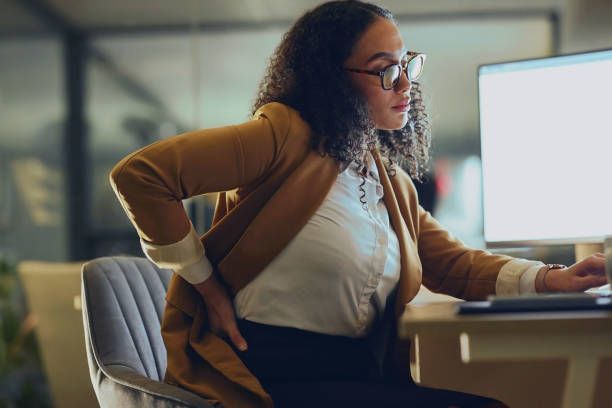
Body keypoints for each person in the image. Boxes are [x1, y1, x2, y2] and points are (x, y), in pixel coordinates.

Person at [109, 1, 608, 407]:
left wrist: (550, 279)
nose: (406, 84)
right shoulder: (282, 136)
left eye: (407, 64)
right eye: (384, 71)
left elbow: (451, 263)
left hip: (356, 373)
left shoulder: (388, 179)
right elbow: (142, 176)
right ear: (332, 79)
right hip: (272, 376)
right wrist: (205, 282)